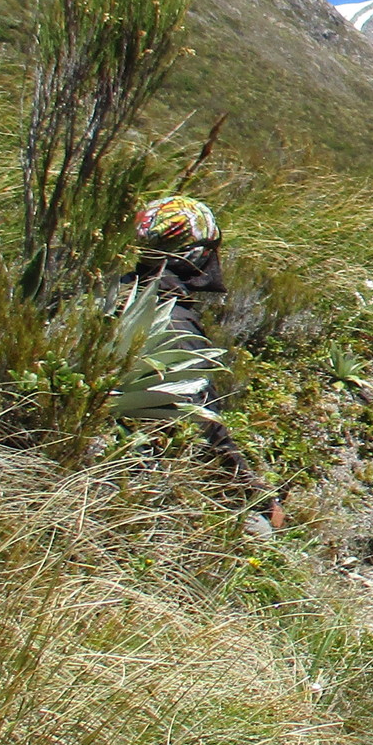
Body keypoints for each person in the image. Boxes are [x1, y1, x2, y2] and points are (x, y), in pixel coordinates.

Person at [129, 195, 280, 529]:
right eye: (211, 245)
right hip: (140, 478)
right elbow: (201, 423)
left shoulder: (108, 292)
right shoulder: (173, 323)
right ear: (195, 255)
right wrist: (253, 496)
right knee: (258, 532)